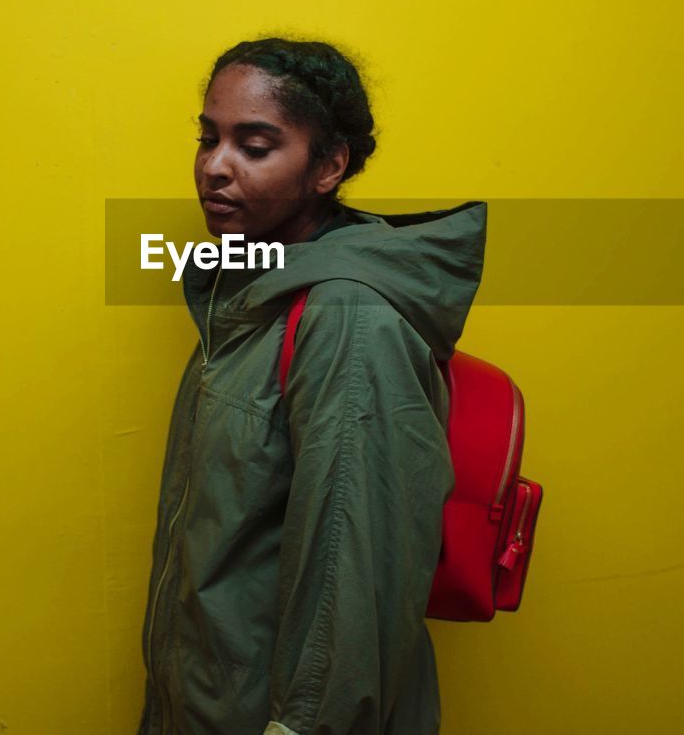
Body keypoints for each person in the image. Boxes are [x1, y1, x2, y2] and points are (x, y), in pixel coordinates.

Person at [137, 36, 487, 735]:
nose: (215, 168)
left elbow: (348, 584)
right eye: (209, 139)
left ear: (328, 166)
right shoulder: (247, 299)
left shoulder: (346, 320)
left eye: (255, 145)